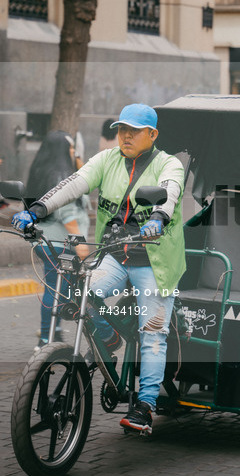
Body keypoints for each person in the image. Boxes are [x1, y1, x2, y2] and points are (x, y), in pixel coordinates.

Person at [12, 103, 185, 434]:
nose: (125, 136)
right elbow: (74, 183)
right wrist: (36, 210)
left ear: (152, 134)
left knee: (152, 334)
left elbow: (170, 192)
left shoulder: (168, 164)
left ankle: (145, 406)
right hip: (115, 256)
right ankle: (110, 337)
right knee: (80, 298)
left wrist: (158, 218)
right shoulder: (107, 160)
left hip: (155, 261)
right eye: (121, 129)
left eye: (133, 130)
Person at [26, 131, 90, 348]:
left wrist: (79, 162)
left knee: (59, 289)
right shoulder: (61, 173)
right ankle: (47, 338)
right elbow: (67, 213)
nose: (74, 152)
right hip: (61, 243)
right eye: (71, 149)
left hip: (45, 242)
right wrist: (80, 243)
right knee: (57, 290)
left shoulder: (42, 170)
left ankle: (54, 332)